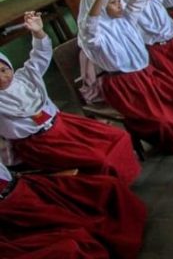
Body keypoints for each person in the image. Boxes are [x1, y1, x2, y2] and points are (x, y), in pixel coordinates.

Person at [0, 11, 140, 184]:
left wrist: (38, 32)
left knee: (117, 137)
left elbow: (41, 54)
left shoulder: (26, 76)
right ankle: (111, 190)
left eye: (3, 70)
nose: (2, 77)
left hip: (63, 125)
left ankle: (122, 181)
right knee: (99, 160)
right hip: (39, 144)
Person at [78, 0, 173, 154]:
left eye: (118, 1)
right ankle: (170, 144)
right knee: (161, 120)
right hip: (125, 86)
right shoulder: (95, 37)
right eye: (112, 3)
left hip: (146, 75)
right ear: (100, 7)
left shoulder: (125, 20)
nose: (119, 6)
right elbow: (89, 26)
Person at [0, 164, 146, 259]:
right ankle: (115, 245)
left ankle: (122, 235)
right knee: (79, 230)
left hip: (26, 185)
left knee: (107, 185)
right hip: (13, 207)